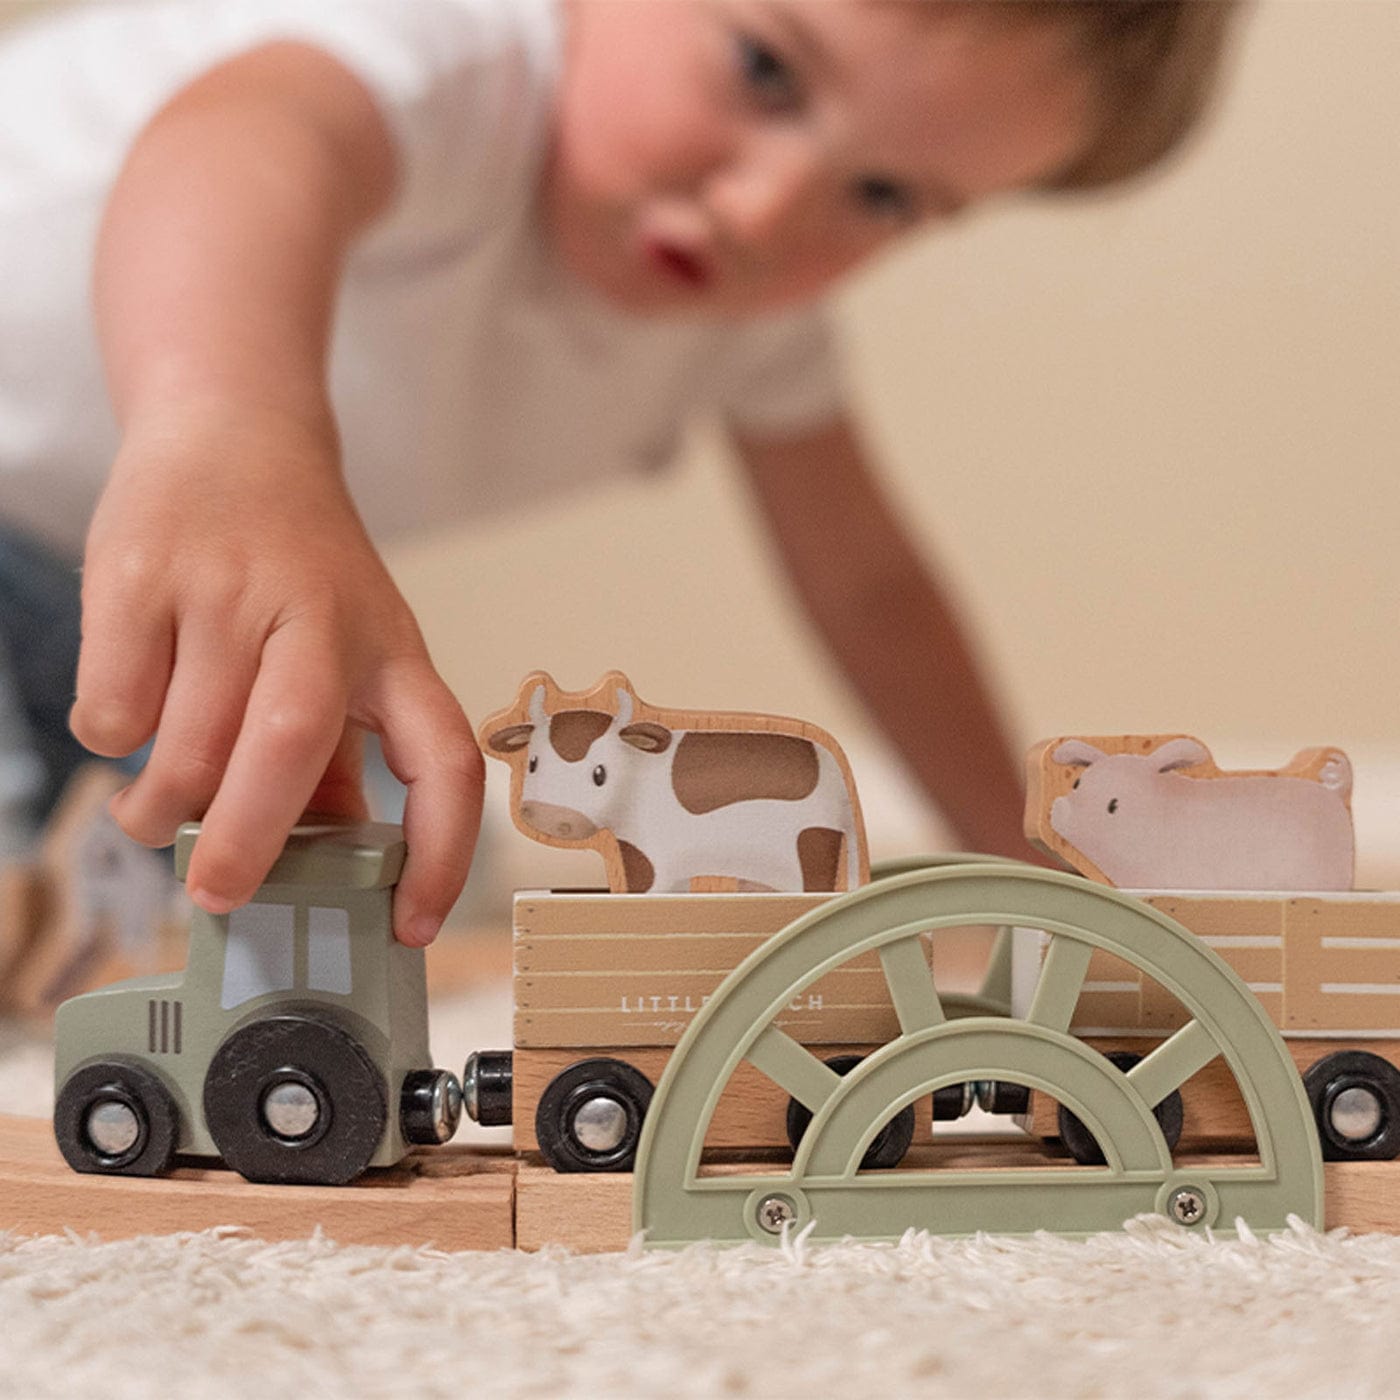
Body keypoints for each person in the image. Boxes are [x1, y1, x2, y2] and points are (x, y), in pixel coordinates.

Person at [0, 0, 1238, 943]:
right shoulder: (446, 50)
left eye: (881, 195)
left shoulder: (742, 320)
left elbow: (866, 584)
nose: (763, 210)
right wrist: (230, 431)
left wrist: (1019, 872)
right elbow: (240, 145)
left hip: (118, 612)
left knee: (406, 832)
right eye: (765, 71)